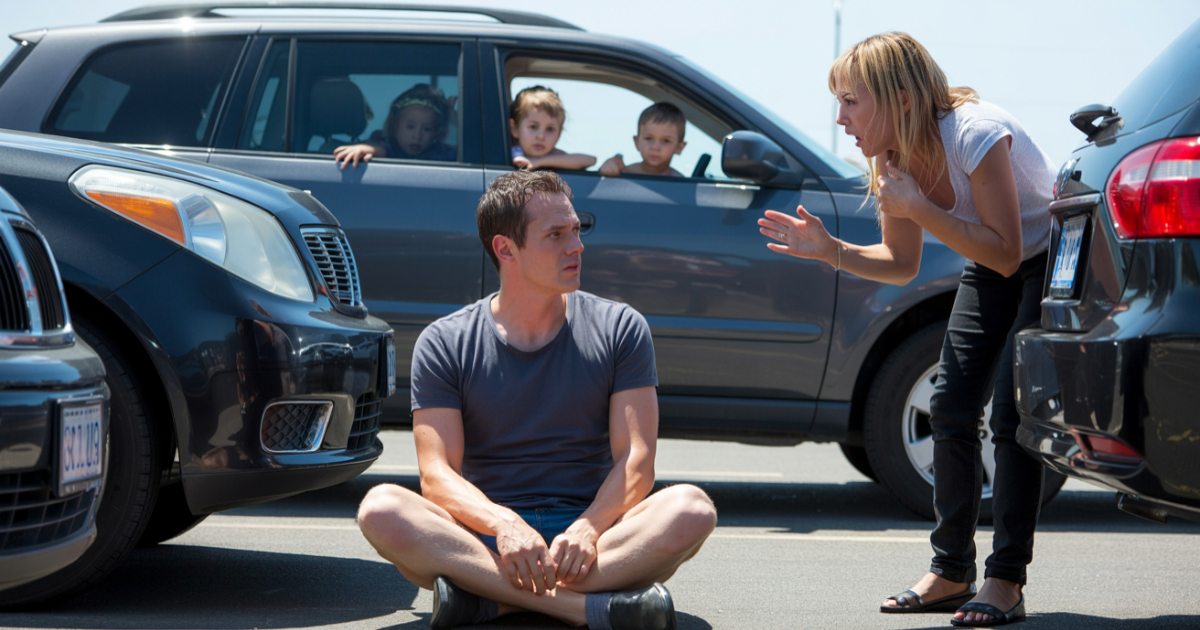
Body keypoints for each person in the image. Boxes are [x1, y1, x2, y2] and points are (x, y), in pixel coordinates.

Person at [757, 32, 1056, 627]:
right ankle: (951, 571)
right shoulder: (890, 155)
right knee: (948, 407)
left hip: (1045, 261)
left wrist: (920, 207)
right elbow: (902, 263)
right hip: (994, 263)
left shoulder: (975, 134)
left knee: (1010, 418)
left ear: (901, 99)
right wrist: (830, 249)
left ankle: (1005, 581)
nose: (839, 118)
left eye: (849, 102)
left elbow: (1007, 253)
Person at [356, 170, 716, 630]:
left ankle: (489, 599)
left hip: (592, 543)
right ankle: (592, 610)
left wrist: (587, 527)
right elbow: (438, 477)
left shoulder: (621, 327)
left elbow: (637, 462)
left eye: (576, 230)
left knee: (692, 510)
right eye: (555, 235)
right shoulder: (444, 341)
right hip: (487, 538)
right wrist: (504, 525)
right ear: (506, 249)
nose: (577, 246)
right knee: (382, 510)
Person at [334, 83, 456, 168]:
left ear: (437, 132)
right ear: (395, 126)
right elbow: (383, 151)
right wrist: (367, 150)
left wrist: (455, 120)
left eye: (427, 129)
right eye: (410, 127)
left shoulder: (441, 154)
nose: (417, 136)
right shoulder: (391, 149)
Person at [509, 85, 597, 171]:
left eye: (550, 129)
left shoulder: (552, 155)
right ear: (515, 129)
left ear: (559, 134)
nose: (541, 136)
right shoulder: (508, 152)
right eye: (533, 127)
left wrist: (538, 161)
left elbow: (590, 160)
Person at [599, 102, 688, 177]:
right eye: (648, 138)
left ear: (679, 147)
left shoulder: (683, 184)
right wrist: (605, 171)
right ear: (637, 142)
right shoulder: (623, 173)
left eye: (666, 141)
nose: (655, 147)